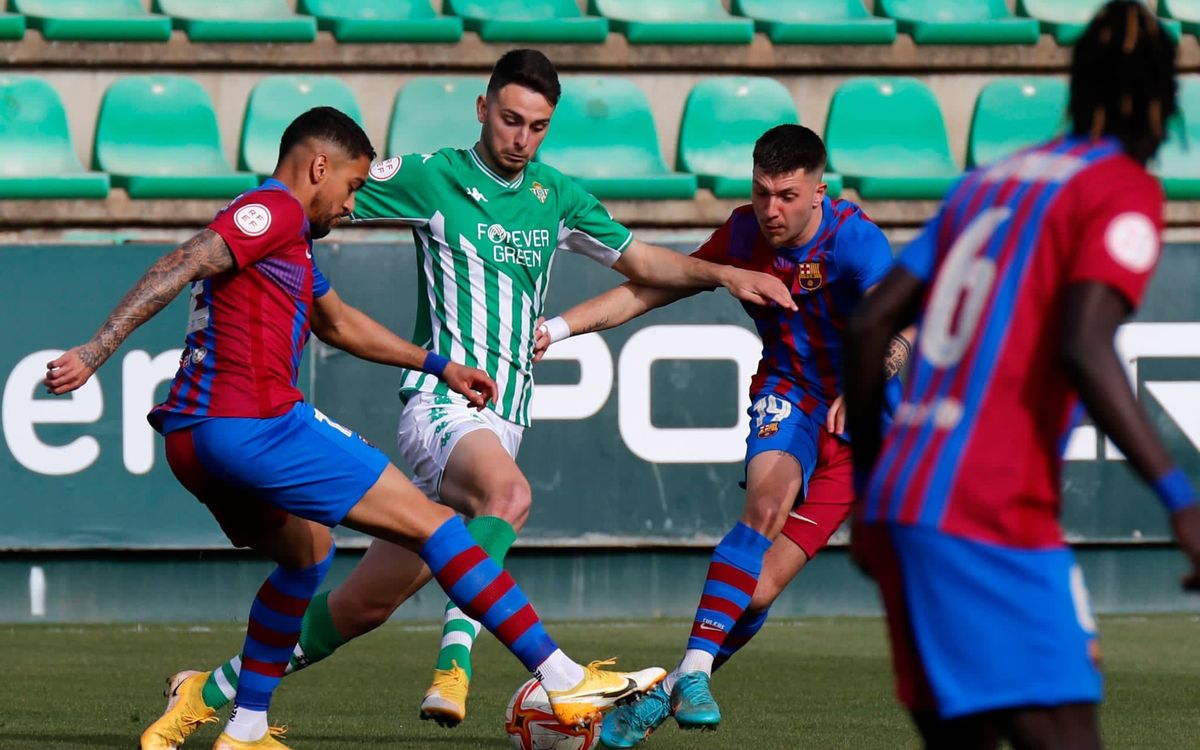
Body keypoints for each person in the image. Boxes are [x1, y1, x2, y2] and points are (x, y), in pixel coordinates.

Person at [138, 48, 795, 747]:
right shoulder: (434, 176)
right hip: (442, 407)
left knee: (363, 605)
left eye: (538, 126)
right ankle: (474, 664)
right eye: (511, 120)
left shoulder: (557, 196)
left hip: (502, 416)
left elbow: (641, 262)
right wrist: (250, 231)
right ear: (483, 110)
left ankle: (211, 694)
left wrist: (719, 273)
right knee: (507, 498)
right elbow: (322, 192)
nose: (522, 138)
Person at [46, 106, 666, 750]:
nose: (350, 204)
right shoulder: (275, 210)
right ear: (318, 167)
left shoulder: (290, 244)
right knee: (440, 529)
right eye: (348, 185)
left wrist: (439, 364)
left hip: (194, 442)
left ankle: (245, 728)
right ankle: (562, 677)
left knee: (307, 556)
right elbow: (182, 260)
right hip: (255, 422)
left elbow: (338, 324)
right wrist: (97, 349)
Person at [843, 4, 1200, 748]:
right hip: (988, 507)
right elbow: (1085, 344)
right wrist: (1181, 500)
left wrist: (874, 492)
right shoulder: (1121, 187)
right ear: (1161, 100)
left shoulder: (991, 181)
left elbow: (871, 324)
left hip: (903, 500)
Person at [531, 124, 913, 748]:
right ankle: (700, 674)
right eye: (762, 192)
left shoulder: (855, 241)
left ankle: (668, 687)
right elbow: (652, 288)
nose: (772, 209)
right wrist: (561, 328)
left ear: (820, 190)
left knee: (757, 591)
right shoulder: (741, 233)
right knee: (764, 506)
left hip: (864, 421)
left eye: (787, 195)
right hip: (788, 392)